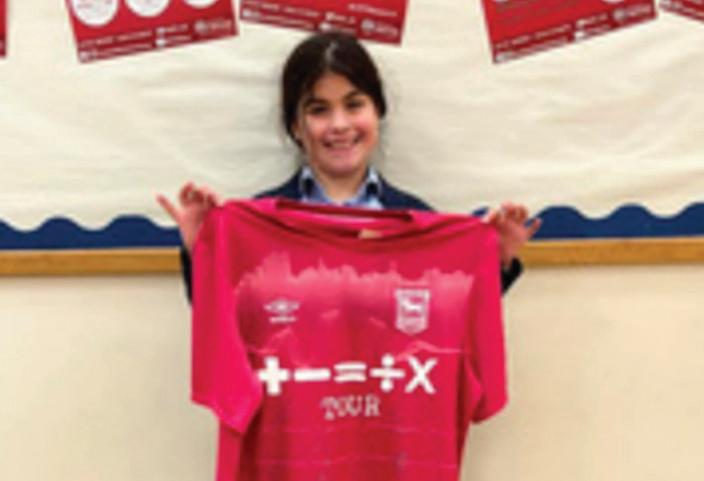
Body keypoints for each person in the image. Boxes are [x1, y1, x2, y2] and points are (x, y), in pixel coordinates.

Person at [157, 31, 541, 298]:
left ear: (378, 112)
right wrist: (200, 251)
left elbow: (454, 316)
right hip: (290, 396)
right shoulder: (258, 222)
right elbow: (220, 323)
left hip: (388, 393)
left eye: (354, 105)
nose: (339, 125)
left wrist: (497, 263)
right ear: (296, 126)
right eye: (319, 110)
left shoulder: (418, 221)